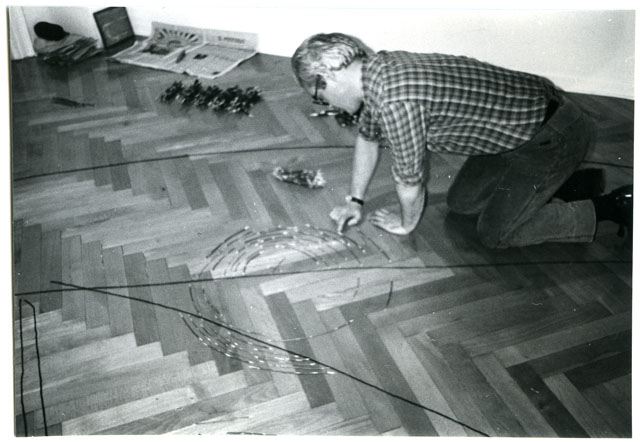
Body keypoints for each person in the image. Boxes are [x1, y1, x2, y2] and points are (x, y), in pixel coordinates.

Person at [291, 32, 632, 248]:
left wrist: (406, 224)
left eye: (319, 97)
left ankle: (612, 206)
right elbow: (367, 139)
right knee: (462, 203)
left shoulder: (395, 100)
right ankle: (568, 184)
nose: (326, 104)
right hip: (510, 131)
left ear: (328, 76)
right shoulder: (378, 71)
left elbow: (409, 182)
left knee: (496, 234)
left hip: (552, 137)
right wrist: (355, 200)